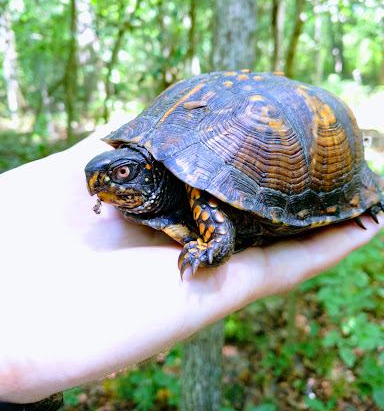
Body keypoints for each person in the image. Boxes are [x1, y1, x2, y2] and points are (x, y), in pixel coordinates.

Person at [0, 128, 382, 405]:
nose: (104, 183)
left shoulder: (196, 187)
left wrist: (215, 241)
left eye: (122, 174)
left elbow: (201, 188)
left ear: (152, 173)